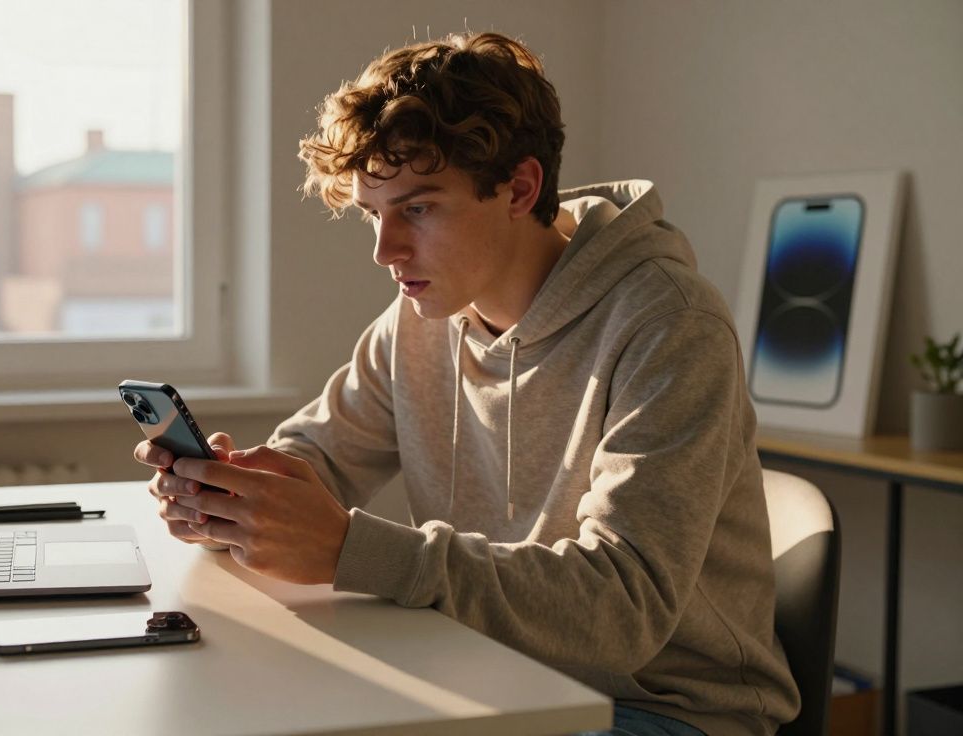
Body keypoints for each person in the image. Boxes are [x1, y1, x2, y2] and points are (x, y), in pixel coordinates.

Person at [133, 31, 800, 736]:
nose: (385, 251)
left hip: (662, 710)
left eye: (417, 209)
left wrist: (351, 550)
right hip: (483, 669)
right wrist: (235, 497)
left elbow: (622, 611)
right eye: (373, 213)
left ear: (519, 187)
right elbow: (320, 456)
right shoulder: (426, 313)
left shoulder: (670, 324)